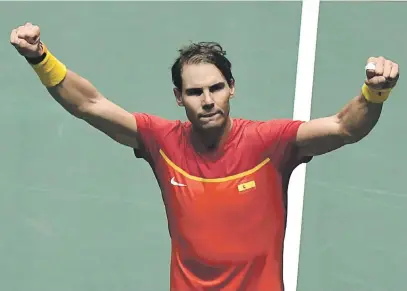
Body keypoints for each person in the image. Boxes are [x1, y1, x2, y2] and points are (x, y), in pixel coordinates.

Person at [10, 22, 399, 291]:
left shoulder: (270, 143)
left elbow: (345, 127)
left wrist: (374, 94)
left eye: (216, 88)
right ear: (179, 97)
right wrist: (40, 57)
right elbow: (89, 104)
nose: (208, 100)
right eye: (195, 92)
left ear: (232, 88)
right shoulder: (161, 141)